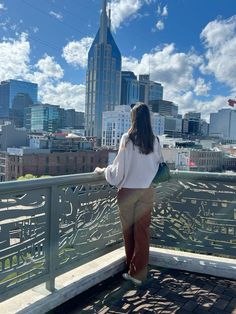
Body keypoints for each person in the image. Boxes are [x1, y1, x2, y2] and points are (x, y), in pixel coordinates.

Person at [95, 102, 164, 285]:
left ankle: (131, 269)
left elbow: (118, 171)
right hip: (147, 191)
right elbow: (158, 164)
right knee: (142, 232)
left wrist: (104, 171)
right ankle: (138, 273)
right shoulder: (155, 140)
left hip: (128, 192)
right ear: (148, 119)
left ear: (133, 118)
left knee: (128, 232)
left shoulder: (127, 138)